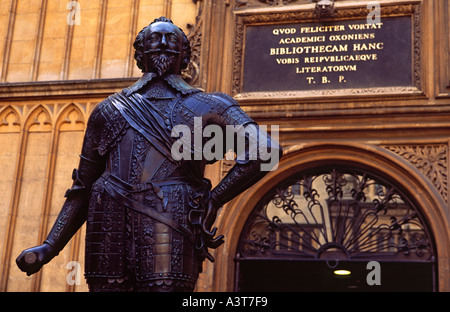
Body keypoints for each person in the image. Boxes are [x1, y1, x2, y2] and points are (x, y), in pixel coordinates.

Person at [16, 17, 282, 292]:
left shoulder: (211, 105)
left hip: (171, 218)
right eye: (155, 39)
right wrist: (50, 246)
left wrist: (215, 199)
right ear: (140, 53)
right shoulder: (108, 110)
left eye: (172, 40)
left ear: (185, 54)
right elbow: (81, 189)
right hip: (108, 222)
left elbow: (266, 150)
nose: (164, 44)